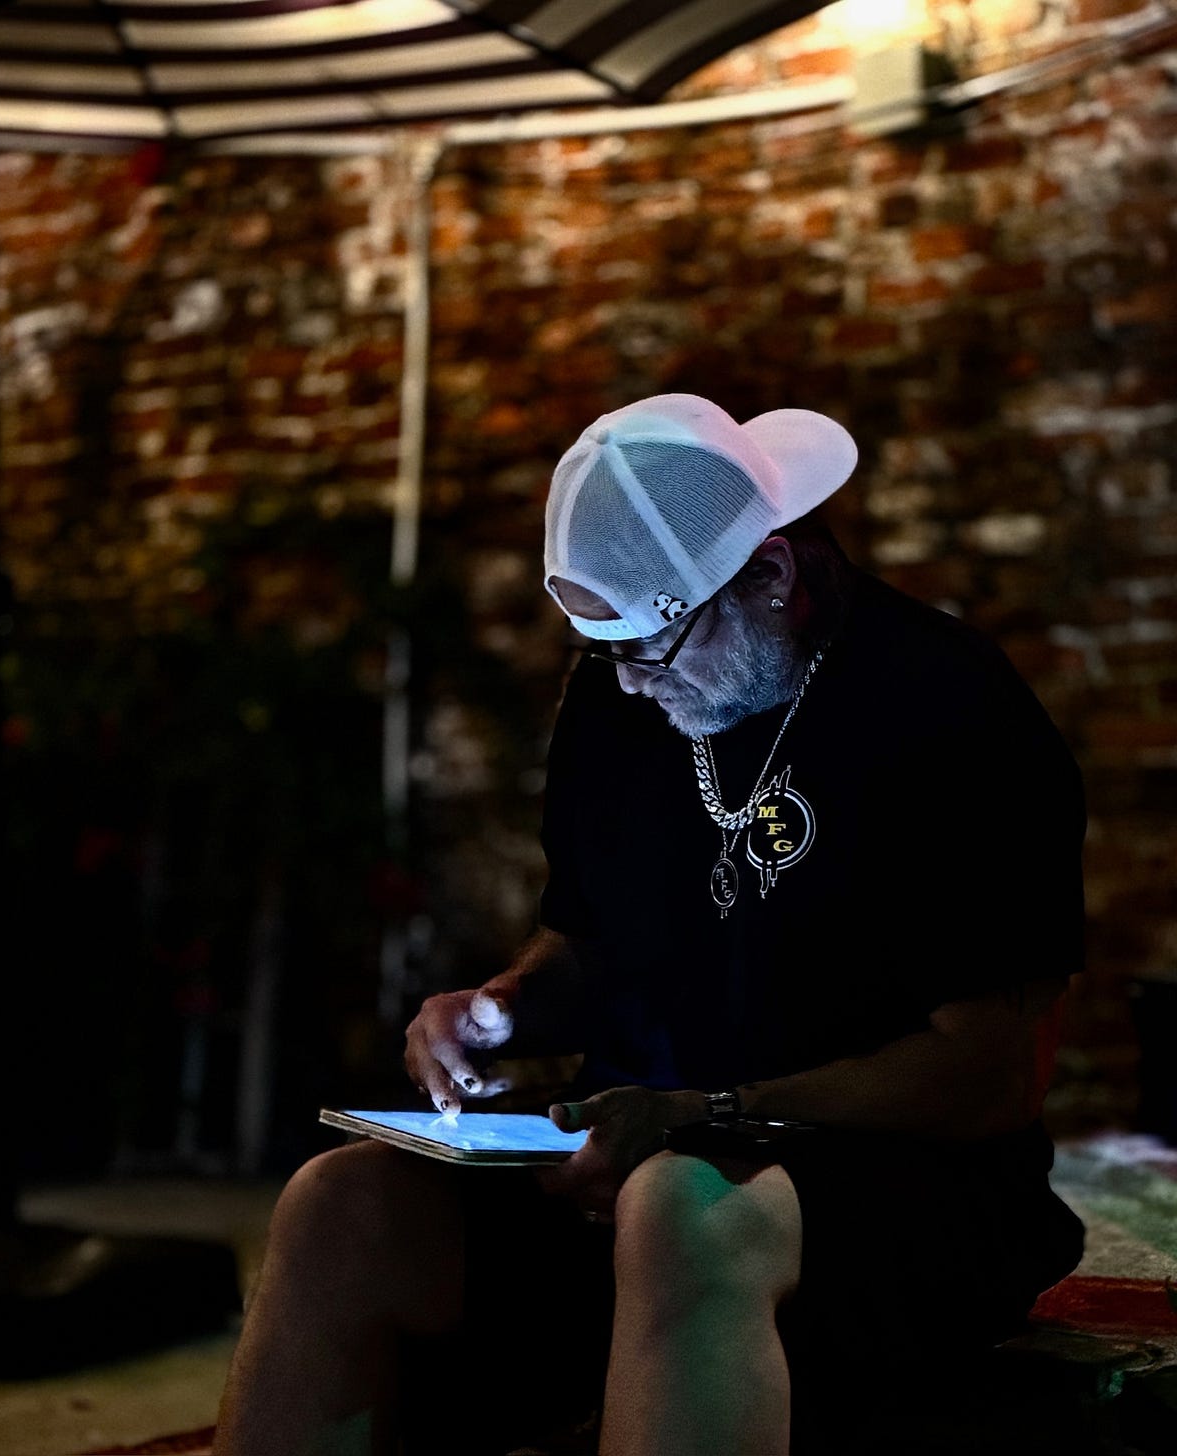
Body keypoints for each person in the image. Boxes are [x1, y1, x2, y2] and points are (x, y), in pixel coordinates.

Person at [213, 394, 1087, 1456]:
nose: (629, 685)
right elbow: (592, 938)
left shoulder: (944, 706)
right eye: (606, 651)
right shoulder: (618, 697)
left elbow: (989, 1075)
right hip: (632, 1153)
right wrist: (503, 1007)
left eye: (654, 648)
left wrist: (707, 1114)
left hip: (888, 1184)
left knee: (685, 1206)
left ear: (770, 576)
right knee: (336, 1201)